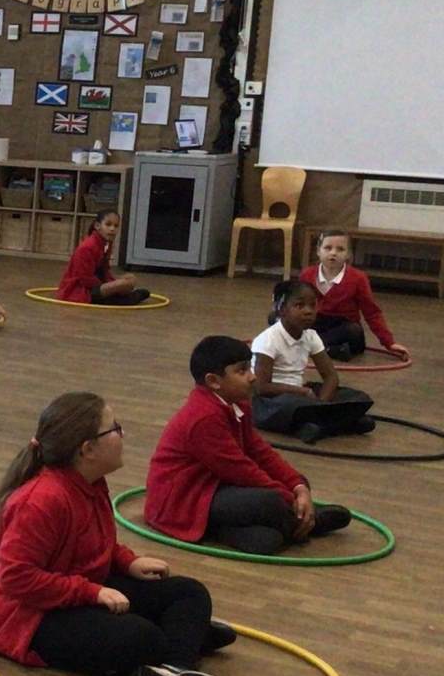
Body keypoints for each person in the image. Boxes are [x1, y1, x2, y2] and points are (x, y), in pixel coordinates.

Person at [0, 391, 233, 676]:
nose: (122, 435)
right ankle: (179, 641)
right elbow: (17, 579)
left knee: (190, 593)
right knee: (141, 637)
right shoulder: (41, 500)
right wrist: (92, 592)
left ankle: (174, 666)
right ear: (88, 449)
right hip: (31, 618)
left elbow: (95, 544)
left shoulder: (91, 482)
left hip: (76, 588)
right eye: (115, 429)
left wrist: (127, 561)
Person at [146, 336, 355, 556]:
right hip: (184, 500)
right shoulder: (203, 418)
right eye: (242, 371)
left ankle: (277, 524)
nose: (252, 376)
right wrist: (290, 499)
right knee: (269, 502)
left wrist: (298, 485)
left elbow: (260, 452)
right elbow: (240, 470)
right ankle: (304, 521)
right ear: (214, 381)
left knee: (267, 539)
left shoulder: (238, 404)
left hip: (214, 486)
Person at [251, 280, 375, 443]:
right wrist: (302, 392)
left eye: (313, 305)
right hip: (272, 400)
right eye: (299, 305)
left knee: (358, 397)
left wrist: (320, 404)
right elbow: (261, 387)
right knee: (288, 406)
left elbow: (331, 377)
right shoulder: (268, 340)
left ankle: (317, 424)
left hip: (302, 396)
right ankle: (341, 424)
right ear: (282, 309)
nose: (308, 311)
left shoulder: (311, 336)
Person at [302, 230, 408, 363]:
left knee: (353, 331)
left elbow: (372, 313)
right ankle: (328, 350)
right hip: (316, 324)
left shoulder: (358, 278)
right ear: (318, 251)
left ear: (348, 254)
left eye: (340, 249)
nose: (333, 253)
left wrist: (389, 342)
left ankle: (308, 346)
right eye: (328, 248)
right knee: (284, 320)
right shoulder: (307, 275)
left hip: (343, 327)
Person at [56, 211, 147, 305]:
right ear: (97, 226)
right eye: (108, 225)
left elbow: (105, 270)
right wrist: (111, 286)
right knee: (123, 285)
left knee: (130, 278)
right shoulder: (87, 247)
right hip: (82, 289)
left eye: (116, 226)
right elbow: (85, 279)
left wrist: (113, 283)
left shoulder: (106, 243)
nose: (112, 229)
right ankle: (122, 298)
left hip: (97, 284)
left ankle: (121, 296)